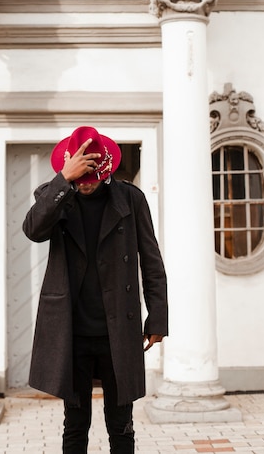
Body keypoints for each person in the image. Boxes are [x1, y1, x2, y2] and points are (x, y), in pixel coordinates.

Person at [22, 126, 168, 454]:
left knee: (121, 425)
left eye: (91, 176)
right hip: (70, 330)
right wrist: (64, 180)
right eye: (79, 176)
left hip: (118, 329)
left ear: (106, 171)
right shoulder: (55, 194)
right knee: (75, 425)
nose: (85, 183)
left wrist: (157, 317)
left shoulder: (130, 198)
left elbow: (151, 260)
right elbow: (33, 230)